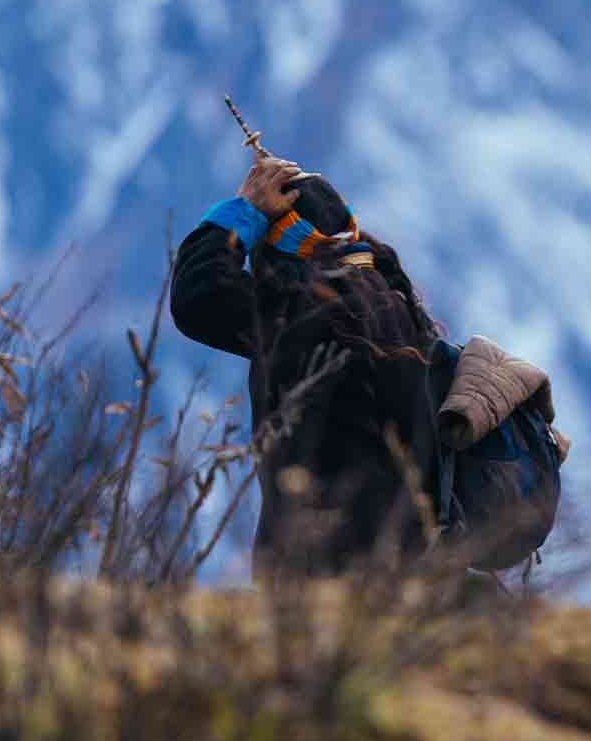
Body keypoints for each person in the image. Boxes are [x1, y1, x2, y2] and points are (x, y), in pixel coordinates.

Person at [171, 153, 444, 579]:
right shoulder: (399, 307)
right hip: (409, 557)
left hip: (320, 560)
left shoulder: (305, 317)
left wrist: (245, 211)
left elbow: (197, 295)